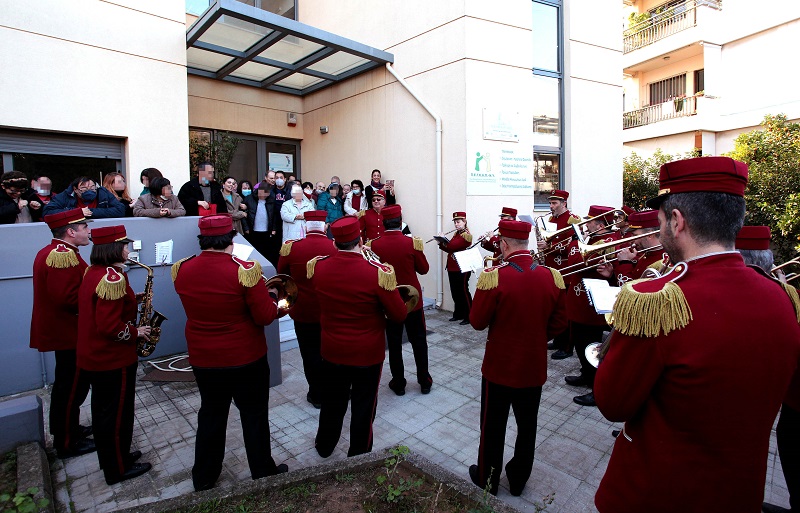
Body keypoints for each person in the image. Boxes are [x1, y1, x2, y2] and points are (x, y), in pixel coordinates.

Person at [593, 156, 800, 513]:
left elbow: (612, 404)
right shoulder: (784, 297)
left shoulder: (657, 300)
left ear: (677, 221)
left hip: (657, 495)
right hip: (738, 494)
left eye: (659, 222)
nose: (657, 232)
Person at [173, 214, 288, 491]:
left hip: (204, 358)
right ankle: (262, 470)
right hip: (244, 357)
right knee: (253, 415)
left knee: (211, 415)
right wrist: (273, 299)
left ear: (203, 239)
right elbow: (263, 317)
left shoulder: (182, 268)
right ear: (231, 239)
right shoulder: (245, 269)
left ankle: (204, 477)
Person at [467, 219, 567, 496]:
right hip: (532, 367)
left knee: (492, 426)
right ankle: (518, 479)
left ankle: (488, 478)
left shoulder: (494, 276)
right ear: (526, 244)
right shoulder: (551, 276)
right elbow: (560, 324)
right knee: (528, 426)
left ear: (504, 244)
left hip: (499, 367)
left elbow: (476, 321)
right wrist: (535, 336)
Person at [310, 216, 407, 458]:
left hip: (332, 349)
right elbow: (398, 314)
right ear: (361, 241)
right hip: (367, 352)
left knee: (333, 401)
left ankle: (324, 445)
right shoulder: (378, 272)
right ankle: (359, 453)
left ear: (334, 243)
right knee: (364, 406)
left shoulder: (319, 266)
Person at [77, 225, 152, 485]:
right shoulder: (113, 278)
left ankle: (115, 458)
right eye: (125, 245)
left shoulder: (95, 272)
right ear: (114, 249)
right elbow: (109, 326)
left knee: (103, 412)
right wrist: (136, 332)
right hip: (112, 358)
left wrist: (133, 299)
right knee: (117, 414)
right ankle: (117, 469)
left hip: (94, 357)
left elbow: (105, 308)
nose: (128, 249)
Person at [31, 208, 94, 458]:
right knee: (72, 388)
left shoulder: (60, 252)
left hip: (66, 330)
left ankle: (69, 429)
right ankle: (67, 442)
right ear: (71, 231)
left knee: (69, 386)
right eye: (84, 227)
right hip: (69, 332)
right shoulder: (62, 255)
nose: (88, 231)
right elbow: (69, 299)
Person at [369, 204, 432, 395]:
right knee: (419, 341)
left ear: (383, 222)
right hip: (413, 300)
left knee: (394, 344)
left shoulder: (374, 244)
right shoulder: (412, 242)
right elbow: (424, 269)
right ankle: (424, 381)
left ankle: (399, 383)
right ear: (400, 220)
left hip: (389, 301)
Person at [276, 210, 337, 408]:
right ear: (325, 226)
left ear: (305, 227)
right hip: (330, 310)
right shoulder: (334, 246)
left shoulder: (291, 248)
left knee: (309, 353)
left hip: (303, 310)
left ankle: (317, 394)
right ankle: (335, 389)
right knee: (332, 353)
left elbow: (282, 276)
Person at [562, 205, 621, 407]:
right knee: (581, 345)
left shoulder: (606, 241)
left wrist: (576, 241)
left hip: (592, 304)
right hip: (581, 301)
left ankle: (597, 387)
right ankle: (586, 375)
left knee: (592, 347)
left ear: (600, 224)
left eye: (590, 222)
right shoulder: (594, 240)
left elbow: (576, 261)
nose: (586, 225)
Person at [539, 190, 581, 360]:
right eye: (550, 203)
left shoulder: (573, 219)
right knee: (555, 308)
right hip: (552, 268)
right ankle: (558, 339)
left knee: (565, 310)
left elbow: (573, 245)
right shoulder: (551, 220)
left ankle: (567, 346)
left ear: (564, 203)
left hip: (565, 270)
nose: (551, 206)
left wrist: (548, 247)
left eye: (554, 203)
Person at [596, 210, 664, 287]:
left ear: (650, 235)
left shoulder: (662, 260)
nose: (631, 240)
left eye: (635, 235)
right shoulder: (646, 255)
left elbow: (633, 290)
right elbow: (634, 278)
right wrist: (611, 276)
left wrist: (625, 262)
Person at [437, 212, 473, 324]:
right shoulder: (456, 234)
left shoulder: (466, 235)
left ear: (464, 222)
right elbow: (449, 249)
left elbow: (453, 246)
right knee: (455, 292)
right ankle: (458, 314)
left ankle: (469, 316)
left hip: (462, 267)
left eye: (458, 222)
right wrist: (441, 242)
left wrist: (443, 239)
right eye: (455, 222)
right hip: (452, 266)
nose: (456, 225)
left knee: (463, 292)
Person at [44, 176, 126, 219]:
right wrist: (77, 212)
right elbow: (48, 212)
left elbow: (120, 210)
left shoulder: (103, 193)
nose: (89, 191)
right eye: (84, 188)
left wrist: (91, 212)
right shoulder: (66, 195)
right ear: (75, 190)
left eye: (92, 188)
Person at [243, 180, 275, 262]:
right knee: (255, 252)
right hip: (253, 231)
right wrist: (246, 228)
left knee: (266, 252)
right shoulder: (249, 199)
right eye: (261, 194)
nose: (263, 196)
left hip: (267, 231)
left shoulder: (271, 200)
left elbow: (274, 215)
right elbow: (242, 215)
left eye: (265, 195)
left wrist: (274, 228)